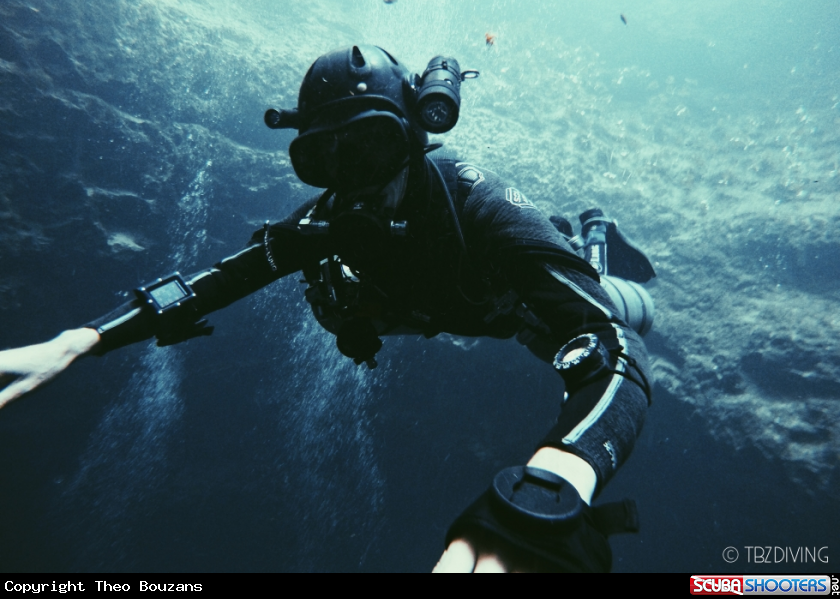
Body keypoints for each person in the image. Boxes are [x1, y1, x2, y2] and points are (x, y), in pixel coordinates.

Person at [0, 45, 655, 573]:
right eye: (325, 158)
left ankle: (594, 233)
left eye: (368, 147)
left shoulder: (478, 201)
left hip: (506, 308)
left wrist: (553, 486)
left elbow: (613, 348)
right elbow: (218, 280)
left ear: (413, 136)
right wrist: (82, 339)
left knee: (624, 308)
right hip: (441, 312)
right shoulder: (328, 220)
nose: (356, 181)